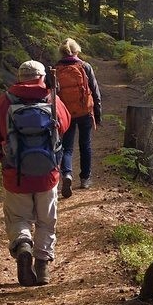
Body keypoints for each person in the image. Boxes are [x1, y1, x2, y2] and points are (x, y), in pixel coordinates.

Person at [0, 59, 72, 286]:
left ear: (19, 78)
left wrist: (4, 158)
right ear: (41, 77)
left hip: (15, 176)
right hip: (48, 175)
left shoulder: (3, 102)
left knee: (19, 217)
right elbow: (65, 124)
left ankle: (23, 245)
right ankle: (42, 266)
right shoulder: (52, 99)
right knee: (46, 221)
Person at [46, 38, 102, 198]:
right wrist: (98, 114)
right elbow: (95, 92)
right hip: (84, 111)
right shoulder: (85, 67)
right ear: (77, 50)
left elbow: (50, 95)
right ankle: (85, 179)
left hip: (65, 113)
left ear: (61, 52)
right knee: (85, 145)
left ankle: (67, 174)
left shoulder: (55, 69)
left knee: (66, 147)